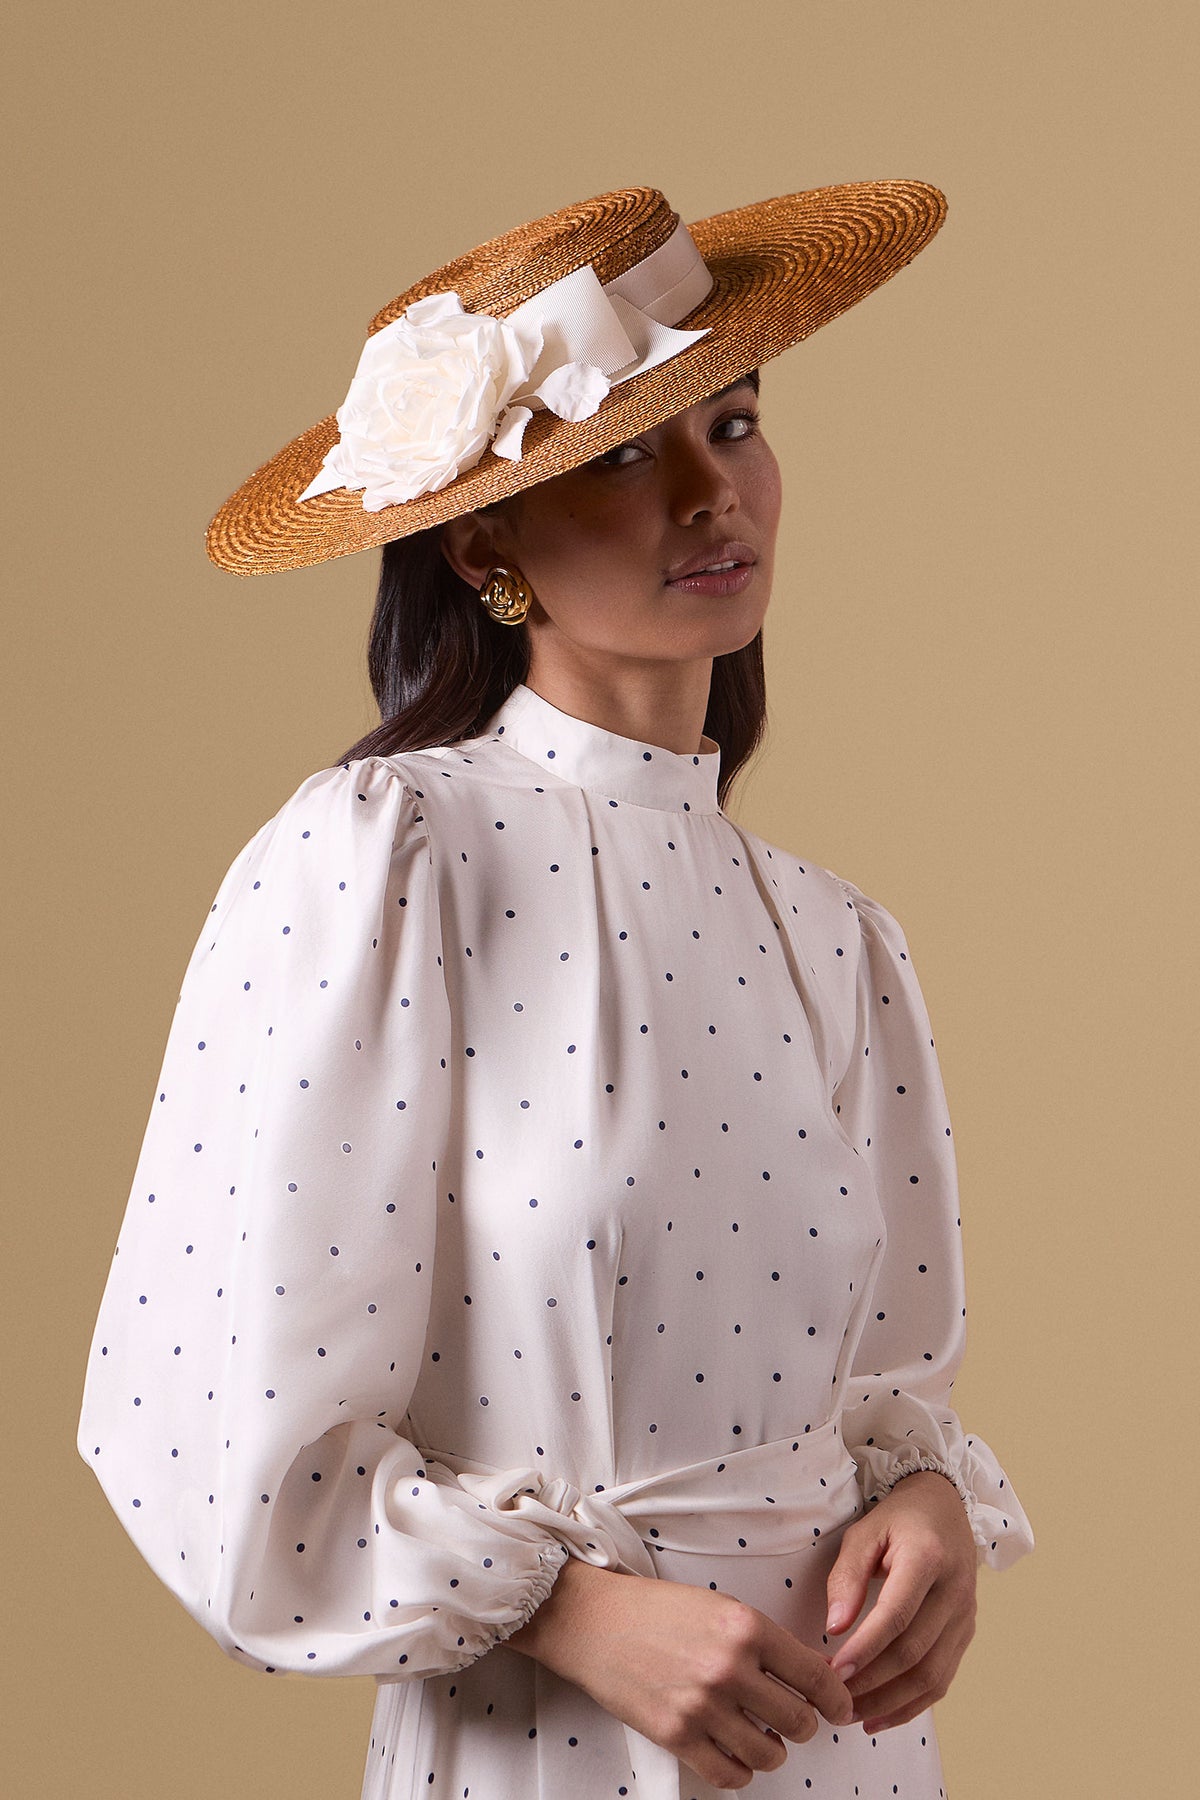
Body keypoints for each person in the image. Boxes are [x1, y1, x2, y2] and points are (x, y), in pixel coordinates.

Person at [78, 182, 1033, 1799]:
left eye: (731, 425)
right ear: (483, 543)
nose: (706, 494)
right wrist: (570, 1612)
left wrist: (924, 1506)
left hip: (850, 1750)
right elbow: (191, 1416)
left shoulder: (835, 935)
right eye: (615, 456)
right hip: (554, 1747)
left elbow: (880, 1379)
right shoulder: (386, 861)